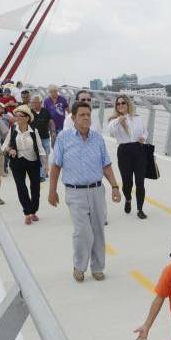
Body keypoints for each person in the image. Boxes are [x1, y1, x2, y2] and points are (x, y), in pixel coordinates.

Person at [47, 101, 121, 283]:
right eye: (82, 115)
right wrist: (52, 191)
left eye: (88, 114)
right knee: (83, 232)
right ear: (73, 118)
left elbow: (106, 165)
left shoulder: (98, 138)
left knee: (98, 231)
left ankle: (97, 268)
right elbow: (55, 166)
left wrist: (114, 186)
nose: (86, 118)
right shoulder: (63, 138)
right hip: (75, 192)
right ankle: (79, 266)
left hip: (97, 190)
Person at [2, 105, 48, 225]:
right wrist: (10, 150)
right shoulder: (13, 129)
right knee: (21, 186)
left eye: (21, 116)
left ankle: (33, 211)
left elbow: (41, 149)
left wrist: (45, 165)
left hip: (33, 161)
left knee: (35, 187)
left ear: (27, 118)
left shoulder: (34, 131)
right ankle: (27, 212)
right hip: (17, 161)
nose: (17, 118)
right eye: (16, 116)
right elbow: (4, 146)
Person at [106, 95, 150, 219]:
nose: (120, 105)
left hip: (139, 149)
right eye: (118, 104)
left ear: (128, 104)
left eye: (123, 103)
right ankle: (128, 199)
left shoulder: (137, 118)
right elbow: (110, 130)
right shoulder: (114, 120)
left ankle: (140, 209)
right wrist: (118, 120)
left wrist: (143, 138)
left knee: (140, 182)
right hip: (124, 151)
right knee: (127, 182)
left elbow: (145, 131)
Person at [29, 95, 56, 182]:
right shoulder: (29, 112)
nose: (34, 104)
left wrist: (53, 132)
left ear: (40, 103)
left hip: (45, 137)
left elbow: (51, 122)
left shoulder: (46, 111)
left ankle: (44, 172)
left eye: (36, 102)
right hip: (34, 138)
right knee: (37, 156)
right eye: (32, 102)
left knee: (45, 155)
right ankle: (41, 174)